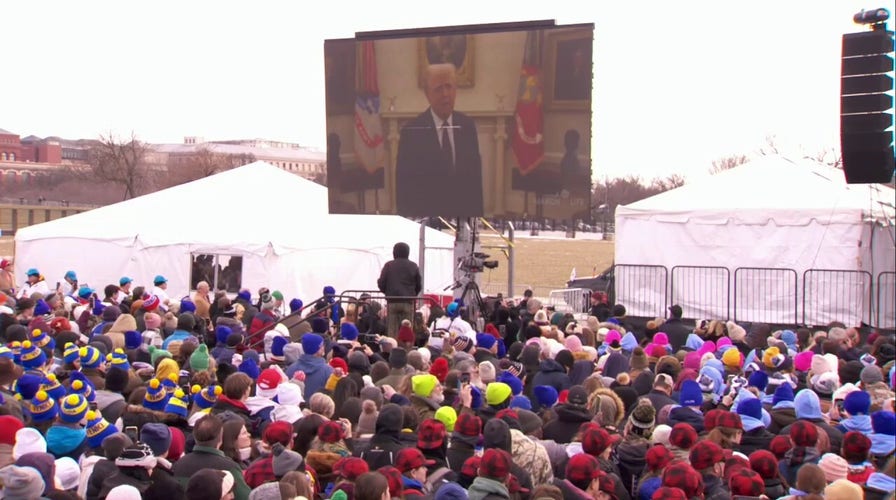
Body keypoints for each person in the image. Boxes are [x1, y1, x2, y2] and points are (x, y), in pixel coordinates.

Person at [395, 63, 483, 217]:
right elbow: (404, 191)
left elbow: (476, 185)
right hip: (427, 223)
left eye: (449, 87)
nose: (445, 94)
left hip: (462, 222)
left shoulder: (467, 126)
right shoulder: (411, 132)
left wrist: (475, 224)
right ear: (427, 94)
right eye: (438, 89)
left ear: (456, 89)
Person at [377, 242, 422, 338]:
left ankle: (392, 350)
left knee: (392, 331)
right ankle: (406, 350)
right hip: (408, 302)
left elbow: (381, 283)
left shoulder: (388, 265)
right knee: (407, 330)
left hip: (392, 301)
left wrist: (388, 292)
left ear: (394, 252)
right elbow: (419, 285)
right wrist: (413, 295)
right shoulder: (413, 266)